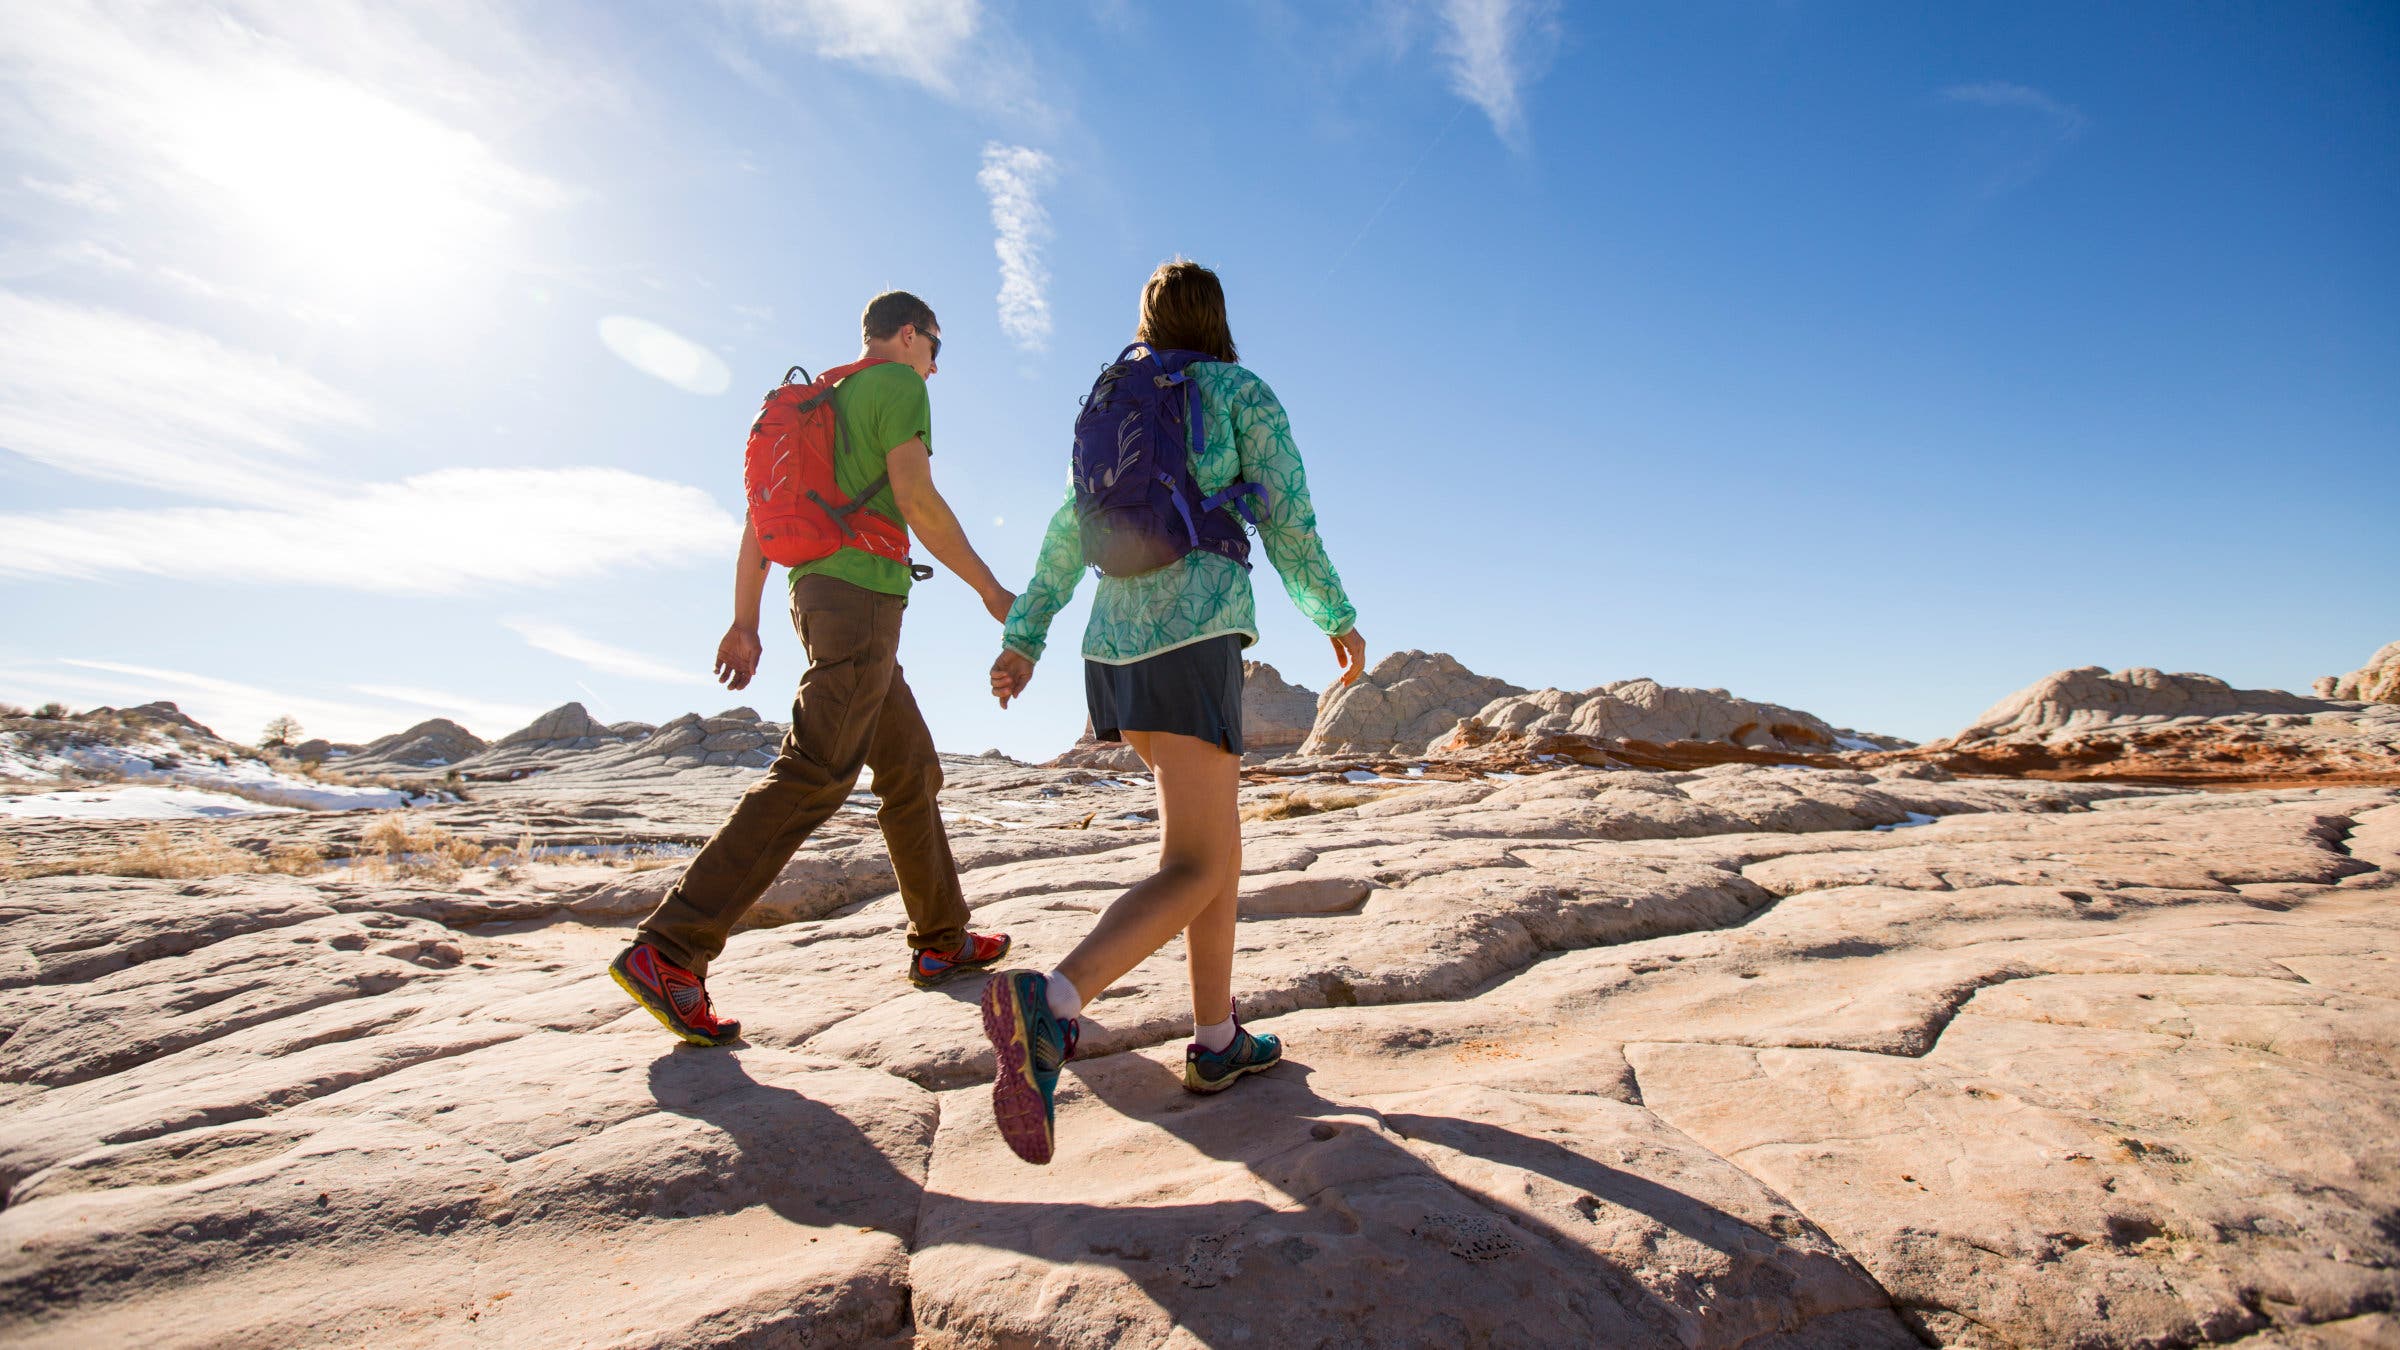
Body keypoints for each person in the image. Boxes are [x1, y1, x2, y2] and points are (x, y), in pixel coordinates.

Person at [980, 260, 1366, 1164]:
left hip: (1114, 648)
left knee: (1206, 852)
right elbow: (1288, 516)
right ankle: (1056, 1003)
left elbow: (1068, 527)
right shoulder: (1238, 391)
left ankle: (1216, 1038)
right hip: (1196, 637)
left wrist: (1025, 635)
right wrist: (1334, 615)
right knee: (1201, 858)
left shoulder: (1114, 396)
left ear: (1147, 320)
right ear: (1216, 317)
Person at [610, 290, 1019, 1047]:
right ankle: (669, 949)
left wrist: (745, 621)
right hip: (861, 601)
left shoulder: (819, 402)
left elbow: (760, 524)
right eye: (936, 346)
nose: (936, 364)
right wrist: (991, 588)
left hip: (822, 597)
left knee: (908, 769)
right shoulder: (898, 385)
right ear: (908, 335)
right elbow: (916, 498)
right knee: (817, 771)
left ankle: (941, 938)